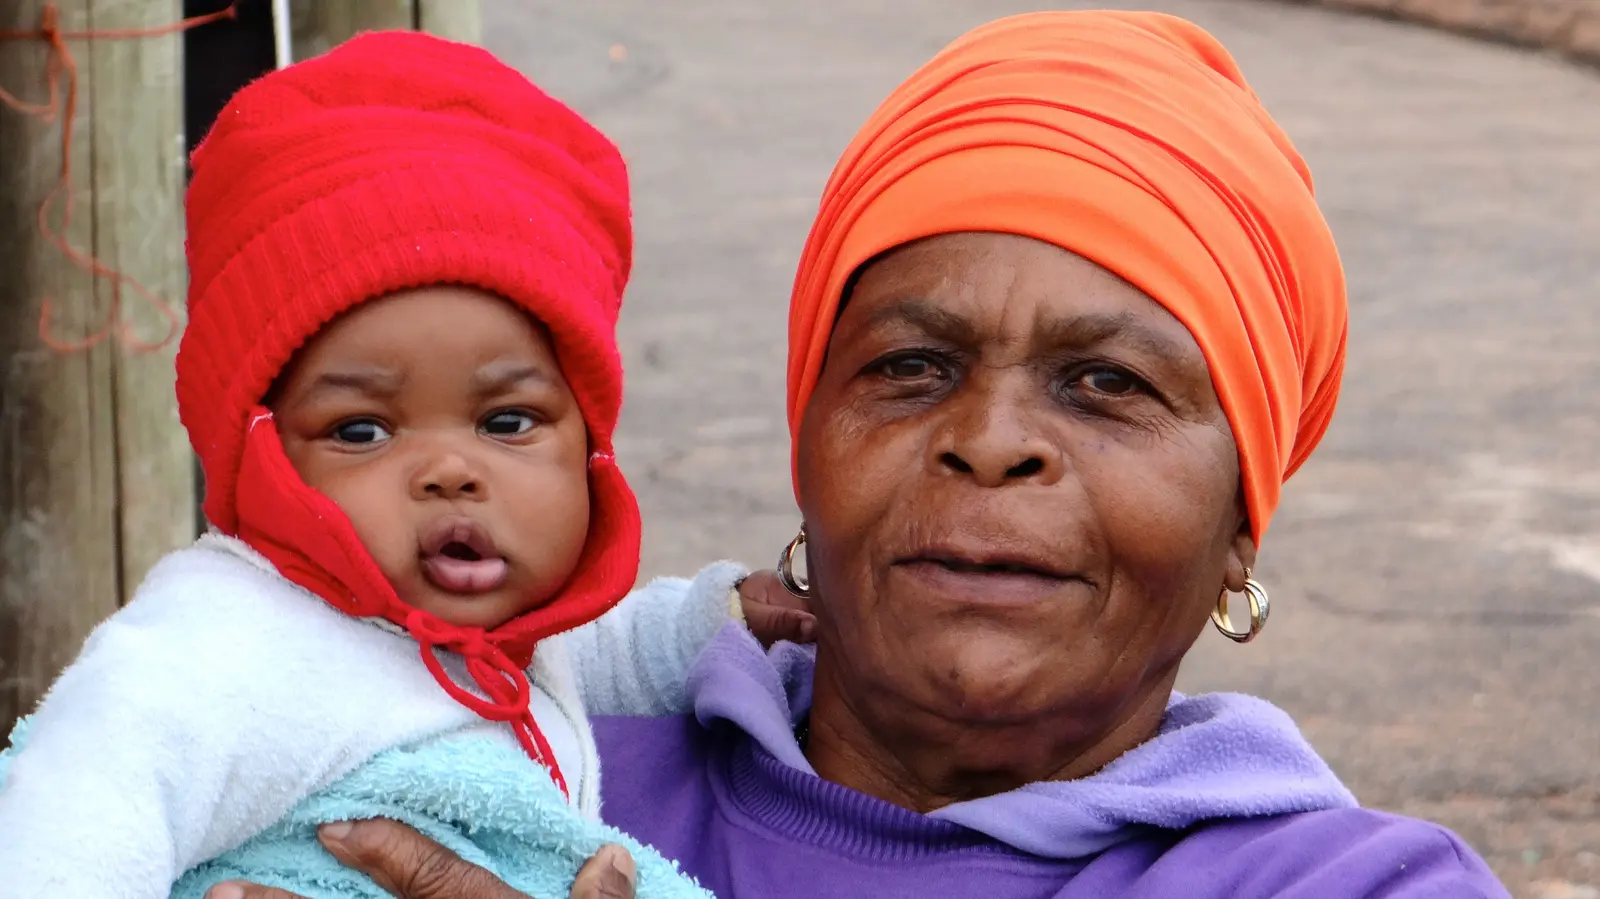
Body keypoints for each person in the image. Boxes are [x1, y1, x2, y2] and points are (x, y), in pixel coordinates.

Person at [218, 11, 1513, 899]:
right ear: (809, 439)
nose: (991, 441)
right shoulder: (507, 769)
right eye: (910, 366)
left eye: (1107, 384)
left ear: (1244, 515)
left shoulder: (1346, 882)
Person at [0, 32, 809, 899]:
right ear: (261, 450)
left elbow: (571, 653)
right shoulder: (228, 639)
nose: (449, 470)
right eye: (360, 432)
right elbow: (81, 803)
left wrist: (705, 622)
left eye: (506, 420)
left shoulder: (479, 633)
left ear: (589, 442)